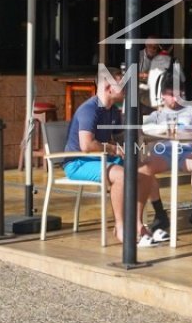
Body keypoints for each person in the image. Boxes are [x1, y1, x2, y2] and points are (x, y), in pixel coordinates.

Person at [65, 71, 163, 248]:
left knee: (146, 170)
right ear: (109, 88)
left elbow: (120, 139)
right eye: (122, 85)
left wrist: (140, 138)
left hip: (103, 158)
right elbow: (86, 145)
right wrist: (112, 148)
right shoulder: (89, 109)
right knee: (122, 175)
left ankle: (137, 224)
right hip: (78, 162)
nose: (126, 89)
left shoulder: (113, 110)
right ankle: (120, 227)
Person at [142, 76, 192, 233]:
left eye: (177, 94)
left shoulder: (191, 111)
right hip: (163, 152)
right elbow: (142, 130)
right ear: (163, 96)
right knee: (145, 169)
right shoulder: (156, 115)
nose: (174, 98)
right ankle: (159, 213)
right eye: (170, 94)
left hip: (186, 152)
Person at [138, 36, 174, 105]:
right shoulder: (137, 55)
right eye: (150, 46)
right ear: (146, 45)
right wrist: (145, 75)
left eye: (155, 47)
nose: (152, 49)